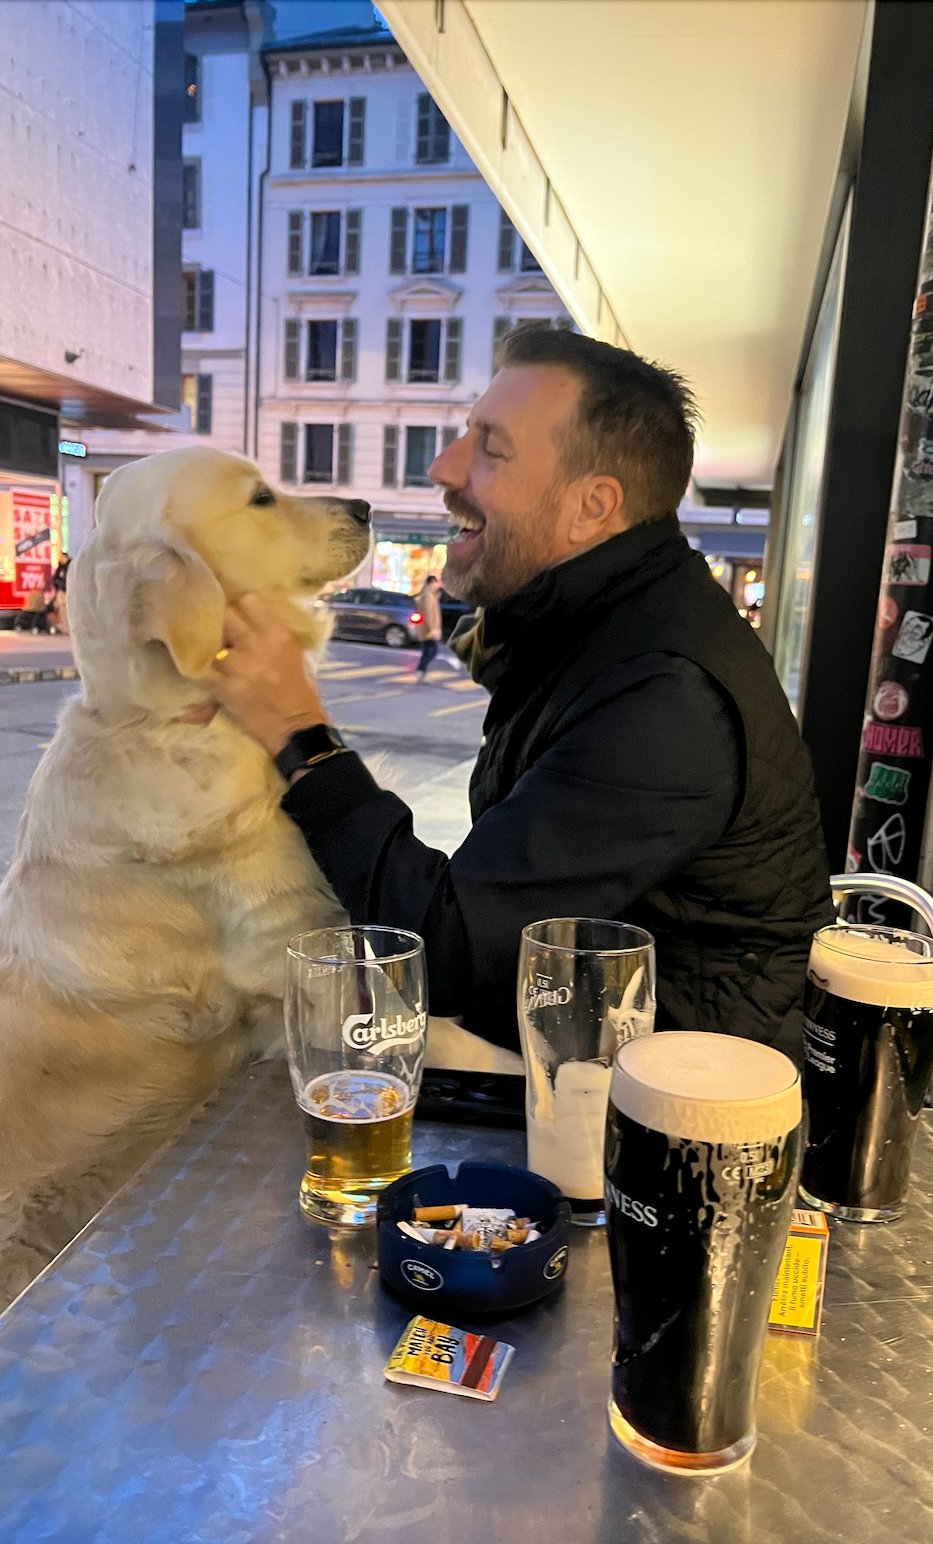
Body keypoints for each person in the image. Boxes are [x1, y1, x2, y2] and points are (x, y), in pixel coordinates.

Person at [206, 327, 834, 1055]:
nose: (444, 467)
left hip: (679, 1120)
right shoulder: (608, 622)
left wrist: (299, 731)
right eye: (464, 434)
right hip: (598, 1054)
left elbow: (451, 950)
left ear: (592, 508)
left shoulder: (665, 694)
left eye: (490, 448)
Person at [414, 574, 443, 681]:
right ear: (432, 583)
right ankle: (420, 671)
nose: (438, 585)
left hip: (428, 630)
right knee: (432, 651)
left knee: (428, 651)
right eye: (437, 583)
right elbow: (428, 614)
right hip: (428, 630)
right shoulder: (428, 596)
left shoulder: (430, 594)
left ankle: (421, 673)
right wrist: (433, 629)